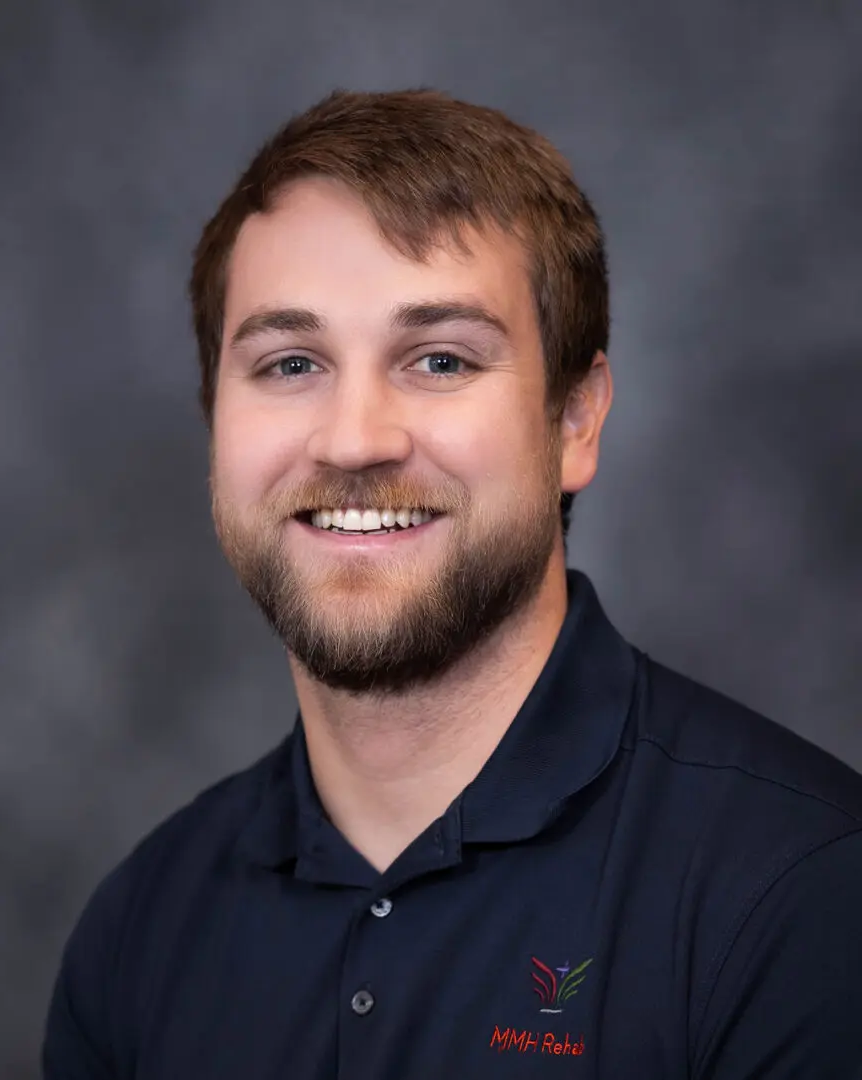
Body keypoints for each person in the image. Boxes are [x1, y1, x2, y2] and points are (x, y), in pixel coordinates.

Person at [43, 88, 862, 1079]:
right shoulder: (141, 933)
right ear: (216, 420)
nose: (354, 440)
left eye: (438, 358)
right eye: (290, 362)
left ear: (576, 421)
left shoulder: (803, 893)